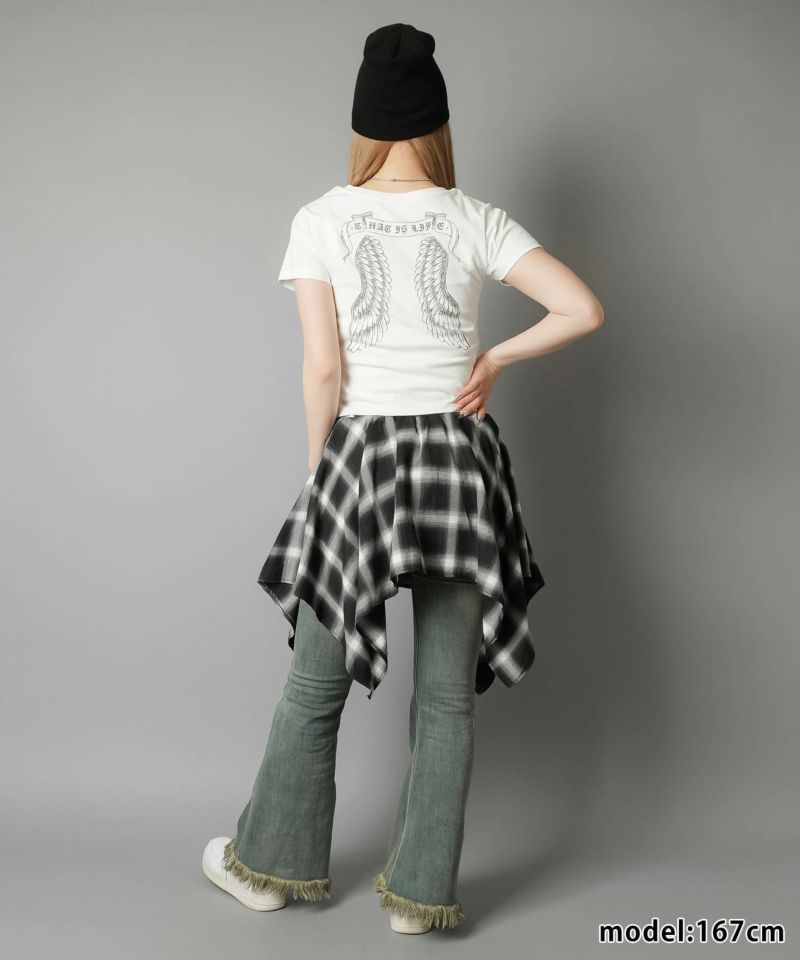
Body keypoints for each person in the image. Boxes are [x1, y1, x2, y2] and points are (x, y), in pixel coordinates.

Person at [202, 22, 604, 935]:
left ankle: (269, 869)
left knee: (317, 682)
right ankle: (421, 900)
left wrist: (322, 472)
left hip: (365, 459)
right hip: (460, 462)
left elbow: (323, 368)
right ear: (436, 122)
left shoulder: (321, 218)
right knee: (447, 698)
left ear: (363, 122)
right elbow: (581, 308)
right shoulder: (475, 217)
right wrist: (493, 359)